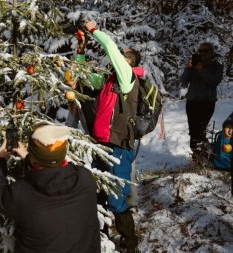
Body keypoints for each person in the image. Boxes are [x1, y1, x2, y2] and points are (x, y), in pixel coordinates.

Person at [78, 21, 143, 253]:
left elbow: (111, 48)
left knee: (117, 199)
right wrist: (81, 50)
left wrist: (93, 30)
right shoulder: (109, 81)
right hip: (100, 145)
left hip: (118, 147)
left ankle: (130, 244)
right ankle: (102, 239)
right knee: (98, 194)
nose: (119, 57)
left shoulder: (127, 78)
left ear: (130, 63)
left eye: (125, 56)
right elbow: (83, 79)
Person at [0, 124, 100, 253]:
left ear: (34, 160)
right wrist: (29, 157)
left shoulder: (21, 194)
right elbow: (50, 171)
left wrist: (0, 161)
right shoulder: (85, 178)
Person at [181, 42, 223, 162]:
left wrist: (202, 70)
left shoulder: (217, 66)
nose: (202, 53)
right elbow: (184, 81)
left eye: (206, 51)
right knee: (193, 131)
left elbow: (214, 81)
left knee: (199, 131)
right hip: (192, 102)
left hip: (207, 103)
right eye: (200, 51)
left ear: (212, 52)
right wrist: (188, 69)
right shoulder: (195, 63)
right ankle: (200, 157)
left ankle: (205, 155)